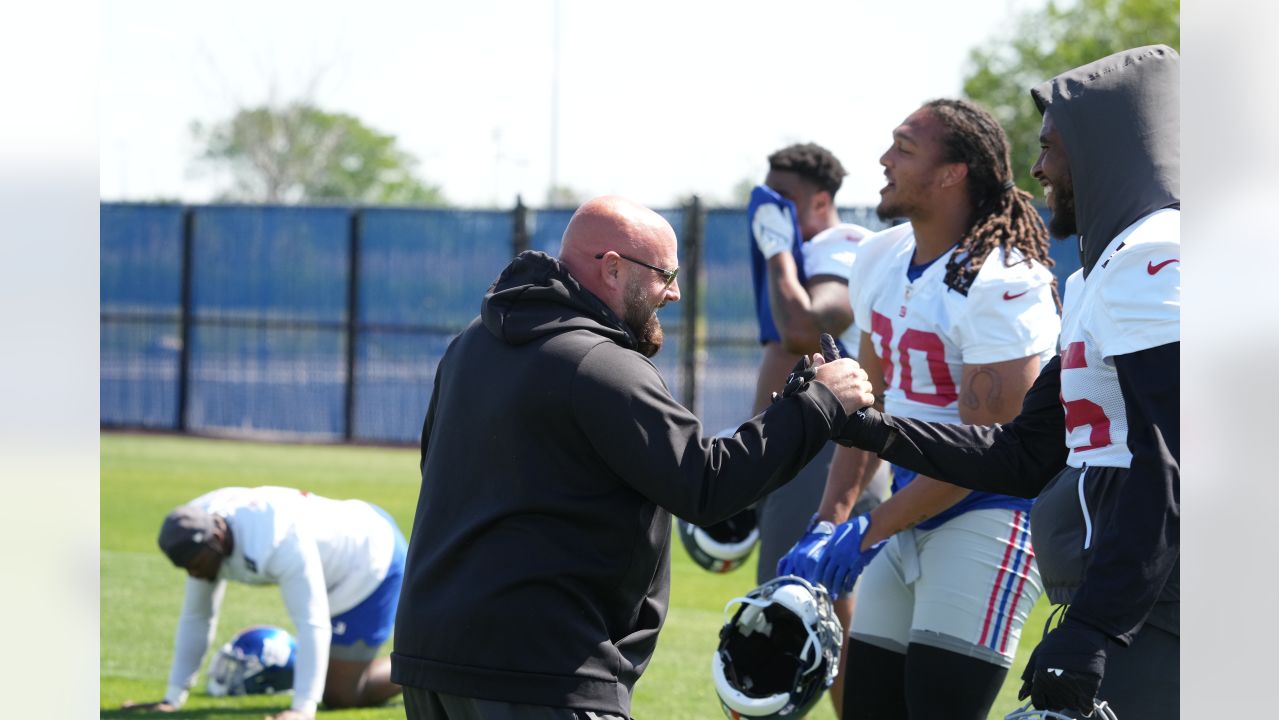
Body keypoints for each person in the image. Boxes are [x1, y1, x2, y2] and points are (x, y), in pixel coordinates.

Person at [390, 195, 875, 720]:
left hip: (433, 660)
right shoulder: (600, 364)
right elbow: (706, 486)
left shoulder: (470, 346)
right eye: (665, 273)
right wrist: (819, 403)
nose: (675, 292)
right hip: (545, 671)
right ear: (614, 269)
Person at [827, 46, 1179, 720]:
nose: (1039, 168)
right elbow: (1020, 453)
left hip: (1154, 603)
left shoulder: (1156, 255)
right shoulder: (1103, 270)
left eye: (1052, 148)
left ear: (1103, 150)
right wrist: (866, 426)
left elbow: (1171, 460)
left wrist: (1096, 628)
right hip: (1124, 596)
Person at [782, 98, 1062, 720]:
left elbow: (991, 454)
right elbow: (861, 408)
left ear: (952, 172)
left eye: (905, 148)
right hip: (906, 508)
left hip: (990, 513)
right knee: (866, 708)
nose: (884, 160)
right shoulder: (881, 257)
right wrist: (831, 520)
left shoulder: (1004, 280)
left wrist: (870, 529)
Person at [748, 142, 889, 713]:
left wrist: (780, 252)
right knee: (821, 610)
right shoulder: (809, 248)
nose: (770, 210)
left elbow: (805, 328)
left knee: (790, 611)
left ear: (821, 200)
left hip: (829, 457)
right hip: (805, 454)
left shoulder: (843, 244)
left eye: (783, 200)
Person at [121, 486, 407, 720]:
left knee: (342, 696)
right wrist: (173, 698)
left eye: (196, 565)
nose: (194, 574)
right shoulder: (196, 528)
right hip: (334, 555)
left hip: (369, 562)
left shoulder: (277, 538)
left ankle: (435, 666)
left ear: (218, 538)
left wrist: (302, 710)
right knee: (334, 685)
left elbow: (312, 622)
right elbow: (198, 616)